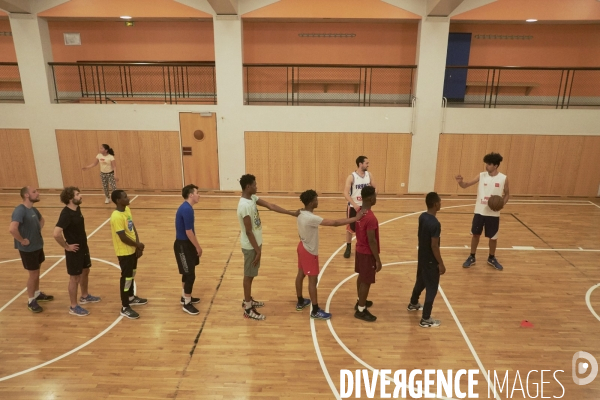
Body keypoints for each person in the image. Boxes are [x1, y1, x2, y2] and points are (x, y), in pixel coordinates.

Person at [237, 174, 299, 321]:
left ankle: (248, 299)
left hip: (256, 244)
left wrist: (291, 213)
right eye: (254, 184)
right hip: (250, 246)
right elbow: (248, 231)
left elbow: (271, 206)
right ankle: (247, 308)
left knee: (251, 274)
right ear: (248, 187)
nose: (256, 186)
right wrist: (257, 251)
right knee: (248, 275)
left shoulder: (251, 198)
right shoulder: (244, 206)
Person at [296, 190, 364, 320]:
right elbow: (334, 223)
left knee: (300, 274)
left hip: (301, 247)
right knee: (312, 280)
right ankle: (315, 310)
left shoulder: (300, 212)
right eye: (316, 199)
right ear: (311, 202)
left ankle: (300, 301)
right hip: (309, 251)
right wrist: (355, 218)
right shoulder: (311, 218)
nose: (318, 201)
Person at [455, 152, 510, 271]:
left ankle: (491, 257)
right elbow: (466, 185)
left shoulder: (503, 178)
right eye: (486, 163)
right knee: (475, 235)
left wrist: (501, 204)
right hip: (479, 211)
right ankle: (472, 256)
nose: (487, 166)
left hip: (493, 213)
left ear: (495, 165)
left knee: (493, 238)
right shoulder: (481, 175)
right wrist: (460, 182)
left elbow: (507, 194)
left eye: (489, 164)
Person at [53, 187, 101, 317]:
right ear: (70, 198)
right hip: (74, 251)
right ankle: (73, 306)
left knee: (86, 271)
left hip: (83, 247)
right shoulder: (66, 214)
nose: (81, 196)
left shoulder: (77, 209)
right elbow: (56, 234)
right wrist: (67, 246)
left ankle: (84, 296)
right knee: (74, 278)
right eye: (78, 194)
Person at [8, 186, 54, 313]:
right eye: (34, 192)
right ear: (26, 195)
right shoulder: (20, 210)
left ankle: (37, 293)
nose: (37, 193)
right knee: (33, 274)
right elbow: (12, 229)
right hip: (28, 249)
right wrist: (22, 240)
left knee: (37, 272)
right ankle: (31, 300)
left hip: (37, 246)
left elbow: (41, 220)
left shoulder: (33, 209)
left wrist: (36, 230)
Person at [408, 192, 446, 328]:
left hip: (422, 256)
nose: (441, 204)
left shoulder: (422, 217)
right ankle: (425, 318)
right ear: (436, 205)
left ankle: (413, 303)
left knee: (421, 280)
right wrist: (440, 263)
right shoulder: (435, 223)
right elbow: (434, 245)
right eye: (440, 202)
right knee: (432, 289)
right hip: (430, 260)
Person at [110, 190, 147, 319]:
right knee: (126, 279)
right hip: (124, 252)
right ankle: (125, 306)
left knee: (132, 275)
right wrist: (137, 245)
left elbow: (132, 227)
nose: (128, 198)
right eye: (125, 197)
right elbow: (122, 237)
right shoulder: (116, 216)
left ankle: (131, 297)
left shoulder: (126, 210)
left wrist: (137, 243)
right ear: (118, 200)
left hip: (132, 250)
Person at [353, 186, 380, 322]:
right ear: (370, 198)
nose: (376, 198)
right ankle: (361, 310)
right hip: (367, 253)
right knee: (366, 281)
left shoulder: (359, 211)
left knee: (361, 277)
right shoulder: (371, 218)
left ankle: (360, 301)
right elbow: (372, 241)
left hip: (359, 249)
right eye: (375, 196)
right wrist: (378, 259)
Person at [174, 184, 202, 315]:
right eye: (197, 193)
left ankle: (185, 296)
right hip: (183, 246)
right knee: (190, 274)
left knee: (187, 272)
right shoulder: (187, 209)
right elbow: (189, 232)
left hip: (186, 245)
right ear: (191, 195)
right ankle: (187, 303)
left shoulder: (187, 208)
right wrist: (198, 246)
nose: (199, 195)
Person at [343, 156, 377, 259]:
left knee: (365, 228)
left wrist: (371, 200)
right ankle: (348, 247)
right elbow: (345, 193)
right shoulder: (351, 177)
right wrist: (354, 204)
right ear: (360, 164)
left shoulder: (369, 175)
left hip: (365, 207)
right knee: (350, 228)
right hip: (354, 207)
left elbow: (375, 189)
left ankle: (361, 247)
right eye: (366, 163)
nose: (368, 165)